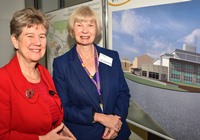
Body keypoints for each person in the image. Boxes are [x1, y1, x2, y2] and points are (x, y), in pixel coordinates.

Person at [53, 6, 131, 140]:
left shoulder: (112, 57)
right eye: (79, 25)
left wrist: (115, 121)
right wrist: (100, 118)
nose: (85, 30)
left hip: (118, 133)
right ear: (72, 30)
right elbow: (64, 107)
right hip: (84, 134)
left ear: (97, 29)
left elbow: (123, 93)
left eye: (90, 25)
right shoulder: (62, 64)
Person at [0, 7, 76, 140]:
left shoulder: (43, 72)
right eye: (30, 36)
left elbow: (50, 111)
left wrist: (60, 128)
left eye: (42, 36)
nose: (37, 42)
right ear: (15, 40)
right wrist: (42, 139)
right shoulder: (3, 79)